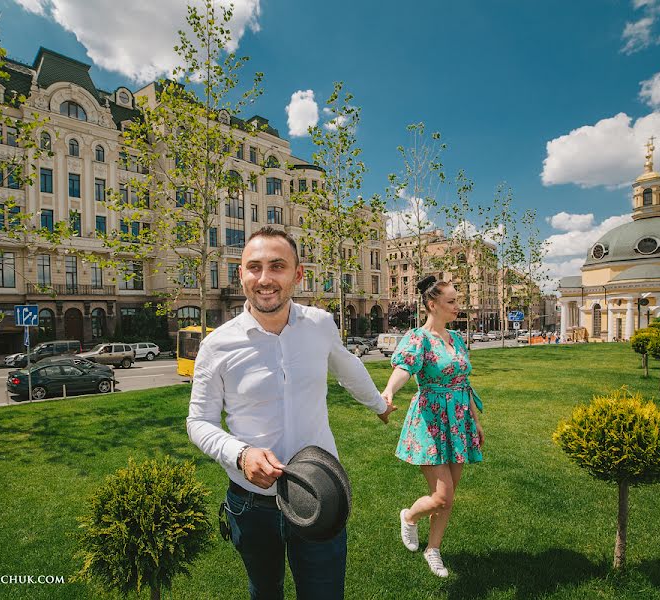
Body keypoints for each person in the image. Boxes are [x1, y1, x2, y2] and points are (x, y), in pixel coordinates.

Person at [186, 226, 396, 600]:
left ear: (298, 275)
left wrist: (379, 405)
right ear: (241, 274)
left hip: (319, 493)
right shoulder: (216, 345)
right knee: (265, 591)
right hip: (250, 502)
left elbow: (346, 366)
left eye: (277, 266)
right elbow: (198, 421)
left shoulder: (320, 323)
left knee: (324, 594)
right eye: (254, 267)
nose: (265, 279)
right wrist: (241, 454)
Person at [380, 275, 484, 578]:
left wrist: (475, 422)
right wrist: (389, 391)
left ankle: (433, 549)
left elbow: (464, 382)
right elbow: (403, 369)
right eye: (451, 302)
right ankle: (410, 517)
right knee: (441, 496)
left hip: (459, 420)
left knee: (448, 496)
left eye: (457, 301)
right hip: (431, 420)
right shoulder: (418, 338)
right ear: (432, 304)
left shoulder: (456, 338)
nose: (457, 307)